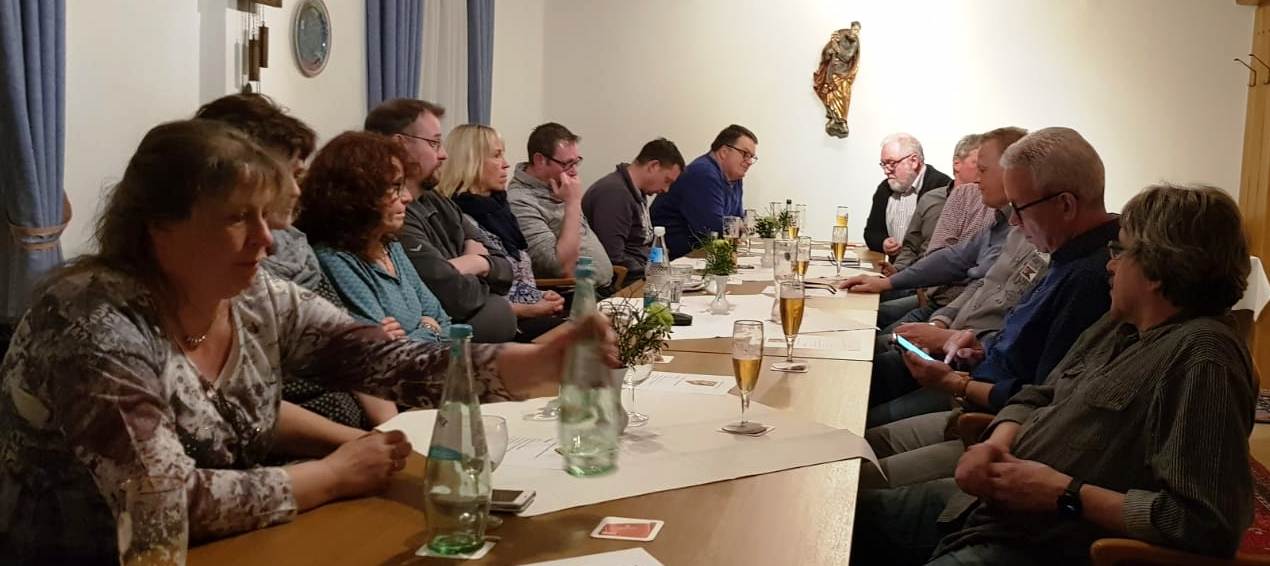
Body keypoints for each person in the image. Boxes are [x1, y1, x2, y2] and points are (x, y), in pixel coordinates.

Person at [0, 120, 612, 563]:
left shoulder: (250, 294)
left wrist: (534, 363)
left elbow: (380, 358)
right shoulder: (91, 320)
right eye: (237, 218)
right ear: (158, 226)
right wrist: (332, 476)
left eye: (267, 216)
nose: (265, 241)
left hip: (241, 543)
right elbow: (164, 499)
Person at [853, 183, 1255, 565]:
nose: (1110, 264)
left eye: (1120, 250)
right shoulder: (1118, 325)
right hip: (988, 509)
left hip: (1043, 547)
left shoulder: (1204, 356)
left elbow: (1207, 524)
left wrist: (1064, 493)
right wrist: (998, 443)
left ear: (1159, 269)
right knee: (845, 515)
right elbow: (1039, 394)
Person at [864, 127, 1120, 485]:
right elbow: (1002, 314)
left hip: (994, 432)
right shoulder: (1065, 253)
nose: (1014, 221)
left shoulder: (1091, 276)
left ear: (1065, 205)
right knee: (861, 443)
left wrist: (957, 381)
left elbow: (1042, 396)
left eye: (1021, 209)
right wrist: (979, 348)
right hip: (973, 389)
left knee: (859, 471)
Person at [195, 93, 393, 433]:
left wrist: (392, 429)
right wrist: (362, 443)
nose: (297, 189)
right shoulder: (220, 271)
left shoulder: (293, 246)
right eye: (285, 174)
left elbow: (349, 347)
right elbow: (245, 405)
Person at [844, 128, 1028, 334]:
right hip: (943, 309)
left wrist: (941, 324)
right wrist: (887, 282)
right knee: (863, 322)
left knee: (870, 335)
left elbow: (980, 285)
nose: (977, 178)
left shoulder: (1023, 231)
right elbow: (951, 258)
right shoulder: (1000, 219)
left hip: (959, 324)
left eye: (983, 169)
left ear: (1010, 173)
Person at [365, 98, 518, 343]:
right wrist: (478, 266)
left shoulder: (438, 201)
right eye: (434, 143)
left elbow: (506, 267)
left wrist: (475, 262)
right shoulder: (393, 216)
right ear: (400, 145)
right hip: (440, 349)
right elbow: (453, 296)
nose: (444, 155)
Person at [297, 131, 451, 349]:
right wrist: (429, 327)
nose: (407, 197)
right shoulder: (334, 258)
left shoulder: (390, 244)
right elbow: (385, 351)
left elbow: (442, 319)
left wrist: (424, 330)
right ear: (357, 194)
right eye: (395, 186)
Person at [439, 123, 569, 341]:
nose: (506, 164)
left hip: (529, 314)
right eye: (497, 155)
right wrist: (529, 309)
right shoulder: (458, 219)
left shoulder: (499, 210)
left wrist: (541, 296)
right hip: (500, 327)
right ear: (472, 161)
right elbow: (467, 300)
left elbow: (518, 278)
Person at [507, 122, 615, 290]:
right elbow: (558, 267)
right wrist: (572, 203)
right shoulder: (519, 201)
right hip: (571, 296)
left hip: (605, 288)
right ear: (540, 160)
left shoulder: (560, 185)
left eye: (576, 162)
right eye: (567, 164)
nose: (574, 171)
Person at [581, 138, 685, 280]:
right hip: (626, 282)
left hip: (643, 272)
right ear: (653, 166)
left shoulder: (636, 192)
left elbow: (641, 244)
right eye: (667, 181)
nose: (666, 189)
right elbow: (614, 257)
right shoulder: (614, 194)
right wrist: (654, 273)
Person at [649, 124, 757, 259]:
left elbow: (736, 223)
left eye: (751, 157)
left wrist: (739, 226)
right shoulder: (703, 173)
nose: (749, 162)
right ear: (724, 152)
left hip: (701, 255)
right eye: (745, 154)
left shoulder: (735, 178)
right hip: (672, 258)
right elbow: (714, 229)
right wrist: (738, 226)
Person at [864, 133, 952, 256]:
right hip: (892, 265)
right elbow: (871, 233)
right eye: (883, 164)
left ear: (914, 161)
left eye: (891, 163)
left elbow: (941, 242)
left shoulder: (941, 187)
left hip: (925, 266)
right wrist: (883, 243)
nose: (886, 171)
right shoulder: (885, 188)